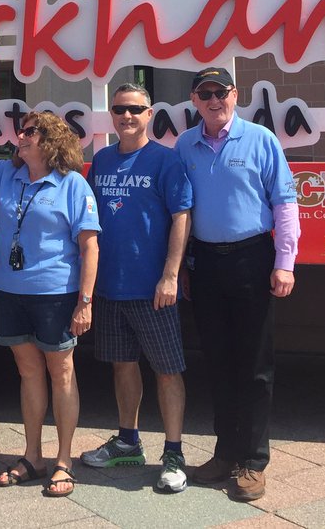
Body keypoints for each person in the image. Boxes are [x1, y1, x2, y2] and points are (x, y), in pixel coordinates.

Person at [0, 100, 100, 499]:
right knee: (29, 373)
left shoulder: (72, 184)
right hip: (10, 293)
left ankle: (63, 461)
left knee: (61, 372)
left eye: (30, 132)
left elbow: (90, 247)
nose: (21, 137)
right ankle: (32, 456)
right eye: (22, 131)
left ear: (49, 142)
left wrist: (85, 301)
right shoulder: (4, 174)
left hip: (56, 294)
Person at [177, 66, 298, 503]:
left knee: (255, 367)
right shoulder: (185, 146)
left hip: (252, 258)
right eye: (205, 93)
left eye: (221, 92)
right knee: (217, 361)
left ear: (235, 94)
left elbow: (284, 202)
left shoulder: (261, 140)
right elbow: (182, 212)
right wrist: (186, 264)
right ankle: (225, 452)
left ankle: (254, 460)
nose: (214, 100)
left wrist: (285, 262)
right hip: (206, 262)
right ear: (194, 100)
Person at [80, 82, 193, 494]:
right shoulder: (103, 160)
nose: (126, 116)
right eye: (119, 109)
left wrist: (170, 273)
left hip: (153, 289)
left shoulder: (166, 160)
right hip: (111, 287)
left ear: (150, 114)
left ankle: (175, 454)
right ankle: (128, 441)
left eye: (135, 109)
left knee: (167, 371)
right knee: (122, 365)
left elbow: (182, 215)